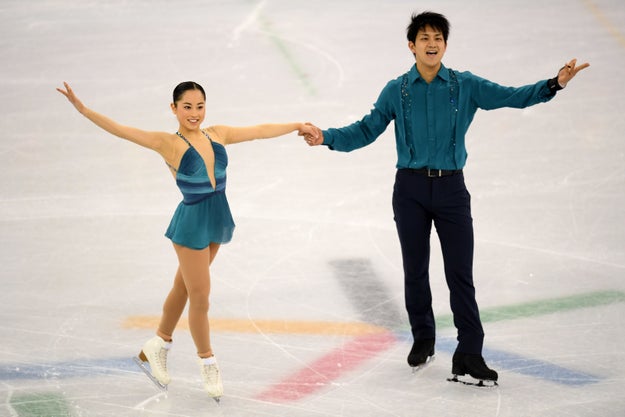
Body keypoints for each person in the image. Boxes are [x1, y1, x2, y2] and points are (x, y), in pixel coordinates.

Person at [303, 11, 589, 385]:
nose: (432, 43)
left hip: (452, 190)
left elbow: (510, 96)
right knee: (416, 269)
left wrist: (554, 84)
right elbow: (367, 129)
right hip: (410, 190)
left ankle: (469, 352)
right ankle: (423, 338)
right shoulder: (397, 90)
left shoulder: (464, 85)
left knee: (460, 274)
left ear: (445, 44)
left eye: (438, 37)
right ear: (412, 46)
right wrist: (326, 136)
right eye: (424, 38)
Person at [56, 81, 317, 400]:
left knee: (183, 287)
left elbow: (259, 130)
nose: (194, 113)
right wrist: (83, 110)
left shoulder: (217, 134)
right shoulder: (168, 143)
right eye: (187, 107)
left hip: (217, 218)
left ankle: (157, 344)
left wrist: (295, 125)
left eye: (200, 106)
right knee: (200, 295)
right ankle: (207, 360)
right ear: (174, 108)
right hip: (192, 224)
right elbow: (122, 130)